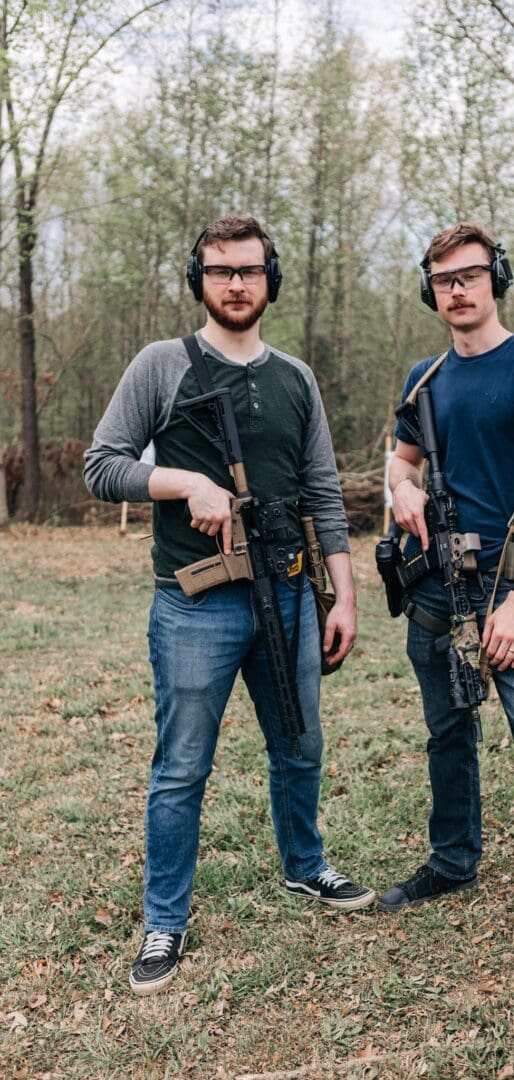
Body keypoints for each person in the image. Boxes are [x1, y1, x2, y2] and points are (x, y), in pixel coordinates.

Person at [84, 214, 375, 996]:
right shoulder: (161, 365)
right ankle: (164, 921)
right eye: (221, 271)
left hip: (287, 597)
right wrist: (188, 483)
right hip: (195, 606)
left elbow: (322, 493)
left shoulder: (296, 377)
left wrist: (342, 595)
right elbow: (101, 464)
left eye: (249, 270)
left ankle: (306, 866)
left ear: (270, 280)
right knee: (181, 768)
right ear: (200, 280)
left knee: (301, 745)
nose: (236, 283)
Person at [378, 221, 514, 1003]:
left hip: (508, 587)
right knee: (447, 731)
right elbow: (397, 459)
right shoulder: (423, 376)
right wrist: (401, 490)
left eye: (471, 275)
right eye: (443, 280)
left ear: (495, 278)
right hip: (435, 585)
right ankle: (452, 861)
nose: (458, 290)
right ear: (429, 289)